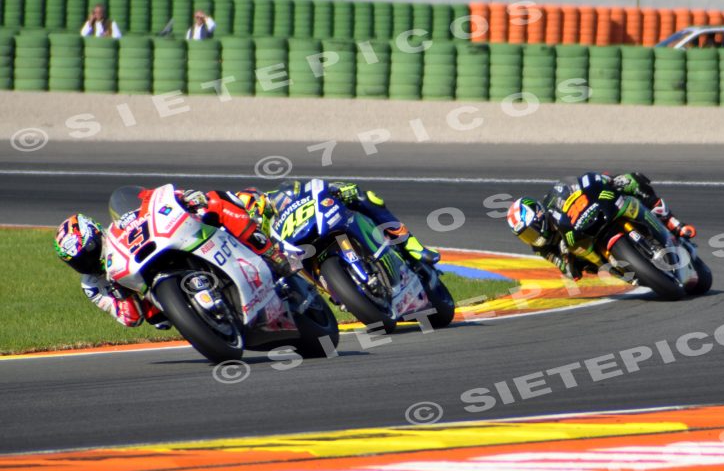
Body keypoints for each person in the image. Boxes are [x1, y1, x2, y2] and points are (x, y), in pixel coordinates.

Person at [54, 187, 290, 329]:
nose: (86, 263)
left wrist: (182, 199)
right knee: (157, 319)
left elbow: (152, 207)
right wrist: (120, 292)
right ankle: (208, 318)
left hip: (160, 250)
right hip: (156, 301)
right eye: (77, 262)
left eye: (88, 252)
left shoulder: (119, 231)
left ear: (96, 233)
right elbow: (130, 319)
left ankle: (271, 252)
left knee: (215, 201)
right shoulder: (91, 285)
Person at [506, 172, 696, 280]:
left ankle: (672, 222)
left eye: (530, 231)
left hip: (595, 213)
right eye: (525, 236)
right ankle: (631, 271)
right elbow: (567, 270)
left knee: (630, 182)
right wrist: (567, 259)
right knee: (587, 267)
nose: (532, 238)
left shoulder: (553, 198)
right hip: (587, 248)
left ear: (539, 216)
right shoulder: (541, 248)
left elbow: (579, 183)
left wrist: (605, 180)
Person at [235, 181, 441, 265]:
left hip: (322, 222)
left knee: (366, 198)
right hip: (306, 255)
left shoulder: (280, 196)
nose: (254, 216)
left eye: (252, 208)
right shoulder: (262, 239)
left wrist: (339, 189)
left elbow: (310, 189)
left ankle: (410, 244)